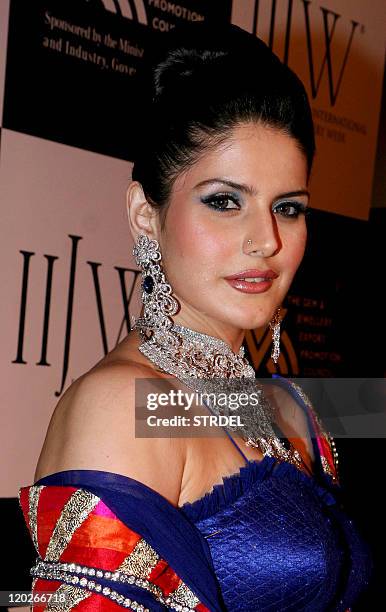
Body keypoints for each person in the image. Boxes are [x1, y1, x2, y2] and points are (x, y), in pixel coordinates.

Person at [18, 21, 373, 611]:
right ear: (144, 213)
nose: (267, 241)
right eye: (225, 201)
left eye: (288, 207)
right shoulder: (125, 404)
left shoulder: (287, 405)